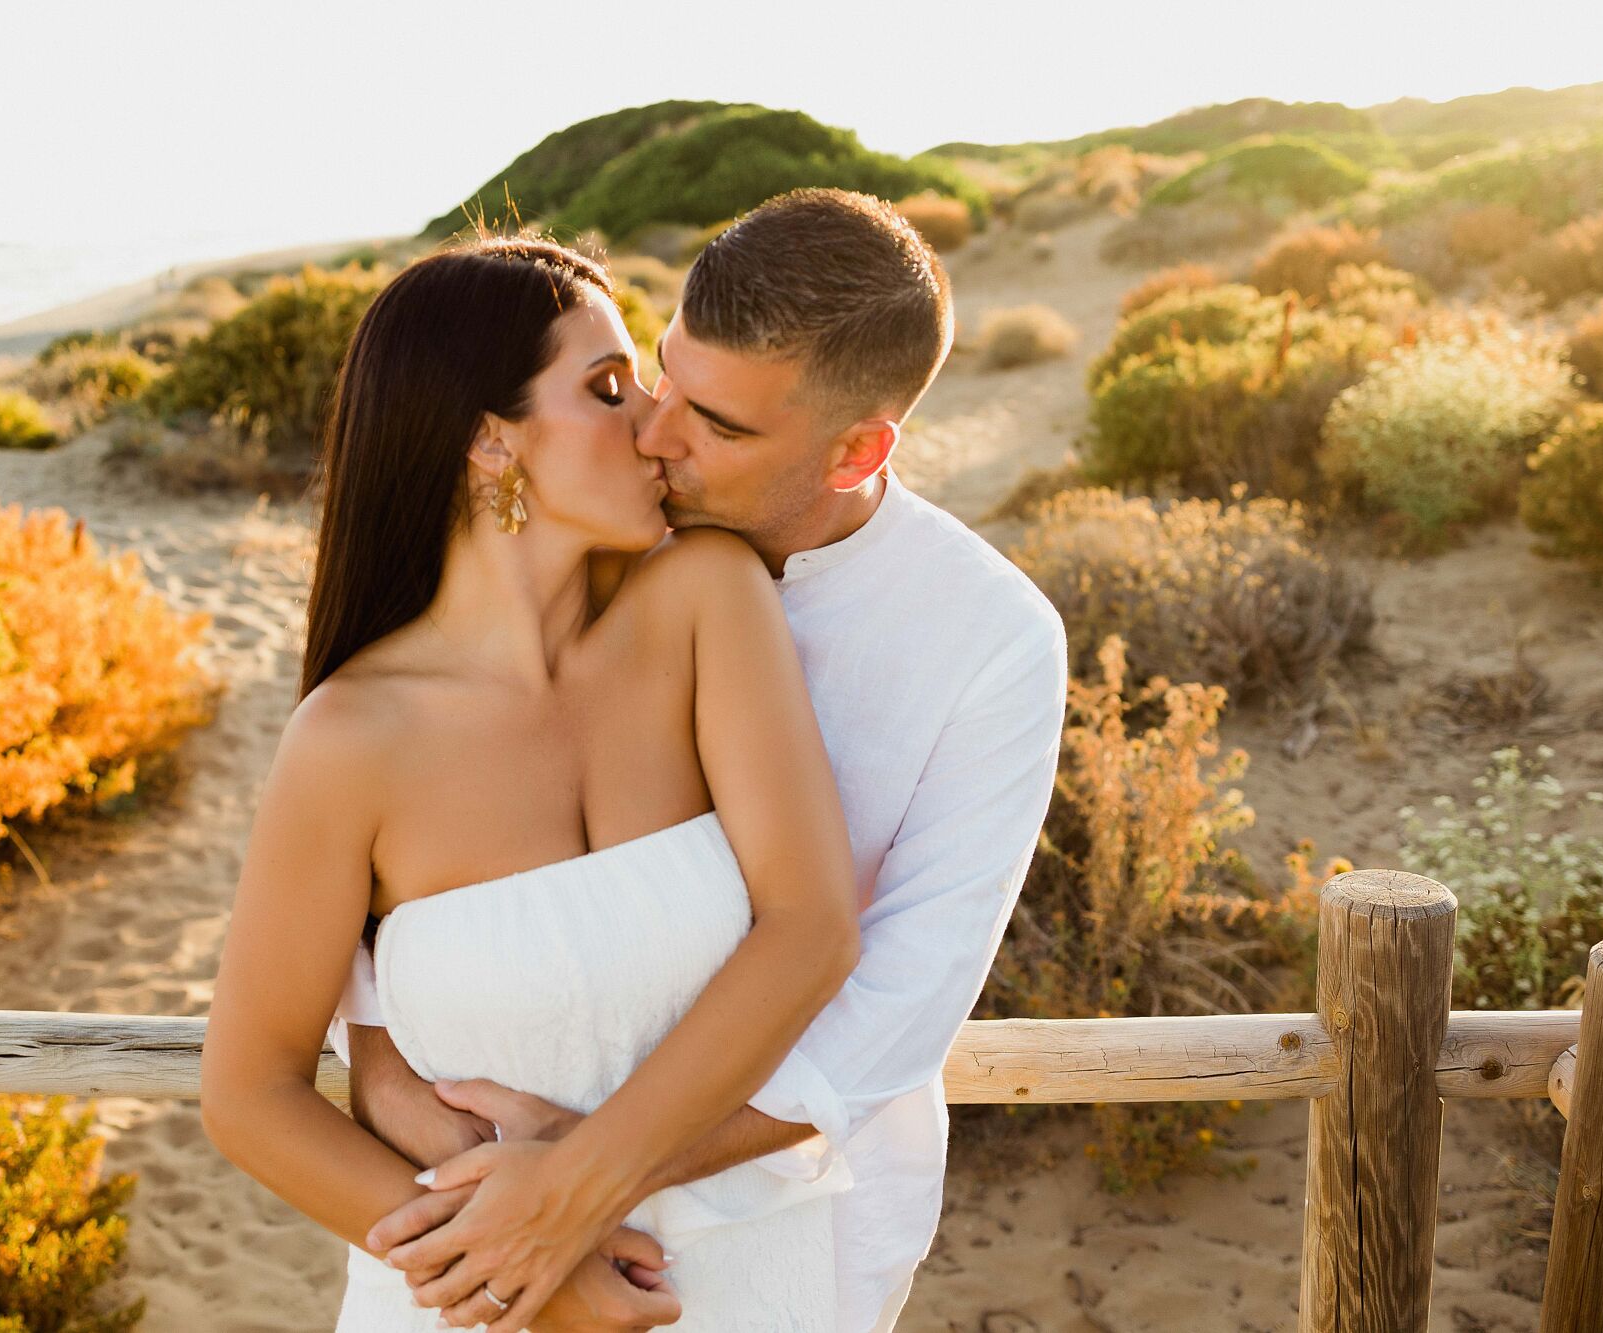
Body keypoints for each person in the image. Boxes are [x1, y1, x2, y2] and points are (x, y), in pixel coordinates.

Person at [344, 188, 1070, 1332]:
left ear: (856, 450)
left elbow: (900, 994)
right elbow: (407, 825)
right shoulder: (601, 523)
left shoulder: (989, 640)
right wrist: (388, 1072)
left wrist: (592, 1172)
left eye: (719, 425)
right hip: (501, 1186)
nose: (657, 433)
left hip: (795, 1217)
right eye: (665, 377)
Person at [199, 233, 866, 1332]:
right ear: (487, 442)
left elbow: (812, 928)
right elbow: (250, 1093)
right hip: (485, 1303)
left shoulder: (707, 597)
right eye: (608, 391)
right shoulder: (350, 738)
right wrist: (528, 1275)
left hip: (752, 1271)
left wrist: (571, 1197)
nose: (656, 427)